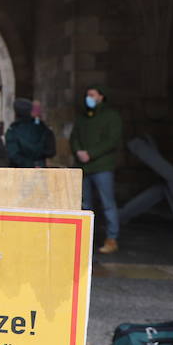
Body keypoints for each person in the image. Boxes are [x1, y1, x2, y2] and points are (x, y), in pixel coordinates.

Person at [71, 85, 123, 253]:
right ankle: (85, 236)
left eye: (92, 95)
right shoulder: (82, 117)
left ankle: (112, 238)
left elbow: (112, 140)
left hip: (102, 166)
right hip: (84, 166)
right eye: (87, 95)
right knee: (85, 204)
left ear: (101, 96)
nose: (89, 98)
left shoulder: (111, 116)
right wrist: (78, 151)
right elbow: (74, 137)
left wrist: (91, 153)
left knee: (107, 203)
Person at [7, 98, 54, 168]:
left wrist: (30, 164)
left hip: (21, 170)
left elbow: (13, 154)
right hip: (40, 166)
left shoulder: (13, 130)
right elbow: (51, 150)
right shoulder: (42, 127)